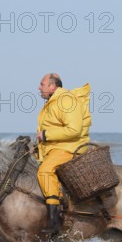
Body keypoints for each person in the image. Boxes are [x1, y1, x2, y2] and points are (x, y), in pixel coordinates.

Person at [36, 73, 91, 233]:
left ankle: (54, 220)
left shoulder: (66, 100)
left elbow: (74, 130)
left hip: (70, 148)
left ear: (52, 86)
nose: (39, 88)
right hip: (57, 148)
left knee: (45, 171)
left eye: (42, 84)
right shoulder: (54, 101)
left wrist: (46, 135)